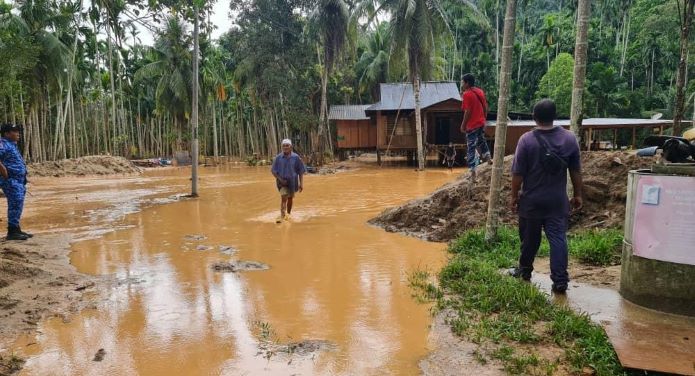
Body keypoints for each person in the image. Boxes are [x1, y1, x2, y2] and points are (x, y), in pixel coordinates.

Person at [508, 99, 583, 293]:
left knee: (529, 239)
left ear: (534, 117)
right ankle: (560, 281)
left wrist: (514, 196)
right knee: (558, 240)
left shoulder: (526, 140)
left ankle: (525, 271)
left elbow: (518, 174)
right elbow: (575, 171)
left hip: (532, 202)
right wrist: (578, 194)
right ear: (555, 116)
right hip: (557, 202)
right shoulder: (569, 139)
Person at [0, 123, 32, 240]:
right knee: (15, 203)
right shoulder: (3, 143)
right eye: (15, 131)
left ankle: (16, 229)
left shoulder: (11, 144)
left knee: (17, 203)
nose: (18, 133)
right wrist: (3, 171)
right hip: (10, 180)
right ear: (6, 133)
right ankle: (12, 232)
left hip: (18, 180)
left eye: (18, 131)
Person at [459, 73, 491, 183]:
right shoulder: (480, 91)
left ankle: (472, 172)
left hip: (472, 125)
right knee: (482, 140)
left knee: (471, 146)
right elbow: (485, 107)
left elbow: (467, 112)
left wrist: (463, 125)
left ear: (467, 83)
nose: (462, 84)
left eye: (462, 82)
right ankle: (488, 158)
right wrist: (484, 119)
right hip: (481, 122)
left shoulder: (467, 94)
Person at [271, 139, 306, 223]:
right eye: (284, 145)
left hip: (293, 182)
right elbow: (273, 171)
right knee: (284, 197)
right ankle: (282, 217)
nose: (285, 147)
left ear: (291, 147)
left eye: (287, 145)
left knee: (290, 198)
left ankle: (288, 214)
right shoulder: (278, 158)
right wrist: (280, 179)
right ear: (282, 147)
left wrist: (301, 184)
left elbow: (300, 171)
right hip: (282, 182)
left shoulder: (296, 157)